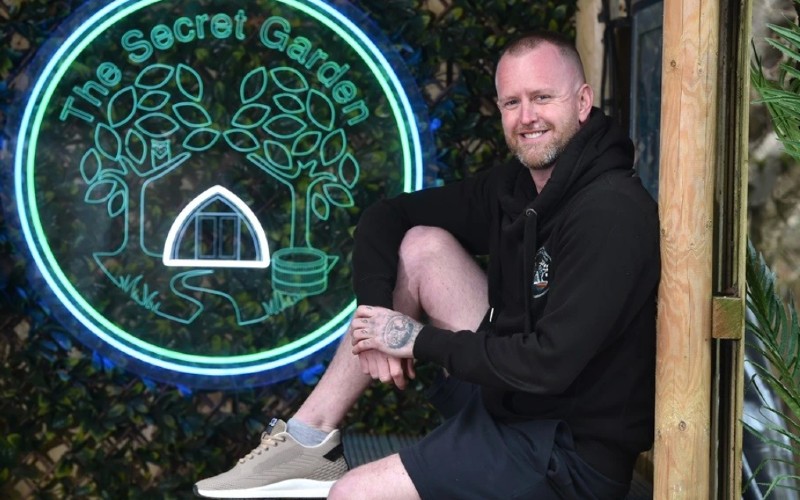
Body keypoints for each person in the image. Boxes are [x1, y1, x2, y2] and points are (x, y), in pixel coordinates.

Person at [194, 30, 660, 500]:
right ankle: (307, 437)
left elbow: (548, 365)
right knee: (422, 246)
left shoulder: (609, 212)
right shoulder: (517, 187)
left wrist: (413, 339)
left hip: (570, 455)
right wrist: (379, 316)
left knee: (353, 494)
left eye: (542, 97)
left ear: (582, 102)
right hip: (514, 405)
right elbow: (387, 217)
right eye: (511, 102)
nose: (527, 117)